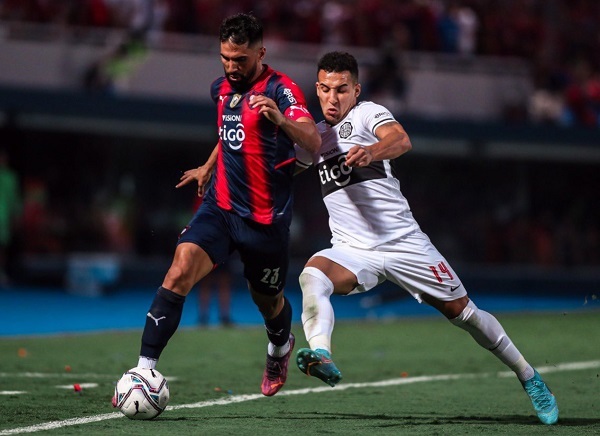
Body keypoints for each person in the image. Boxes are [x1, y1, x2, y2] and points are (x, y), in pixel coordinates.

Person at [293, 51, 558, 425]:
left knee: (465, 315)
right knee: (312, 275)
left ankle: (530, 377)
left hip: (405, 244)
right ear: (316, 90)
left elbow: (400, 140)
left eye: (341, 89)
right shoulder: (314, 137)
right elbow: (278, 166)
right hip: (353, 251)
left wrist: (370, 151)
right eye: (324, 89)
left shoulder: (368, 114)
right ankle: (322, 355)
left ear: (356, 90)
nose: (332, 98)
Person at [114, 12, 321, 400]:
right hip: (221, 209)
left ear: (261, 52)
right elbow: (231, 133)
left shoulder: (282, 89)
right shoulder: (220, 89)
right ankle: (143, 372)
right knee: (178, 271)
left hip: (265, 222)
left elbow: (311, 139)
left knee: (268, 301)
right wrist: (209, 166)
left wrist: (281, 119)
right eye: (225, 58)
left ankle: (279, 346)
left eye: (239, 59)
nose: (231, 67)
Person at [0, 148, 21, 286]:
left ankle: (1, 272)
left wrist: (16, 215)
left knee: (2, 247)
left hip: (4, 216)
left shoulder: (11, 177)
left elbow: (14, 198)